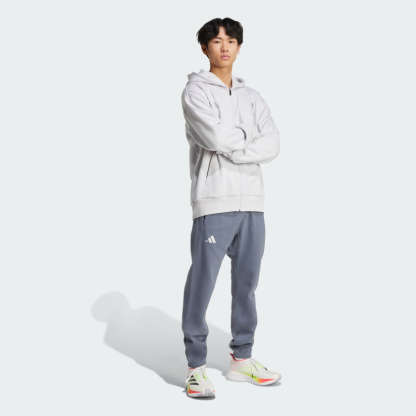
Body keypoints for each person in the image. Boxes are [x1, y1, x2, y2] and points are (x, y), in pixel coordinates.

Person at [181, 17, 282, 399]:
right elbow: (213, 136)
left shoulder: (251, 96)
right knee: (203, 281)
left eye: (231, 41)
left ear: (239, 47)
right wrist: (245, 141)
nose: (224, 47)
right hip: (214, 200)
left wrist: (233, 144)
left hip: (252, 202)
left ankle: (242, 359)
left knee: (247, 284)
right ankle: (195, 367)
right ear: (204, 47)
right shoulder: (195, 91)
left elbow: (272, 143)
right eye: (217, 41)